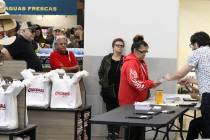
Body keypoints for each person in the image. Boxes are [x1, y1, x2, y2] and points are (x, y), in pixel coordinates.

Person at [163, 31, 210, 140]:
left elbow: (180, 73)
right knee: (196, 124)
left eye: (192, 45)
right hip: (206, 94)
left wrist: (168, 78)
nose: (192, 48)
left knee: (207, 131)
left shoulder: (198, 52)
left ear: (196, 44)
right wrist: (190, 80)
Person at [118, 35, 160, 140]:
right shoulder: (131, 62)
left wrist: (152, 83)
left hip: (139, 102)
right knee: (133, 133)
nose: (145, 54)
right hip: (130, 102)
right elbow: (134, 82)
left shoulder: (140, 62)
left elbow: (142, 80)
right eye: (142, 52)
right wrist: (151, 84)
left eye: (146, 52)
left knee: (139, 131)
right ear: (135, 50)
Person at [98, 38, 125, 139]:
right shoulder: (106, 59)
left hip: (120, 90)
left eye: (121, 46)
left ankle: (116, 133)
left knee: (118, 111)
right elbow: (100, 72)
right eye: (117, 45)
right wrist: (103, 82)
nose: (119, 47)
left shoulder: (125, 60)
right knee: (109, 111)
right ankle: (110, 133)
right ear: (113, 46)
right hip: (108, 90)